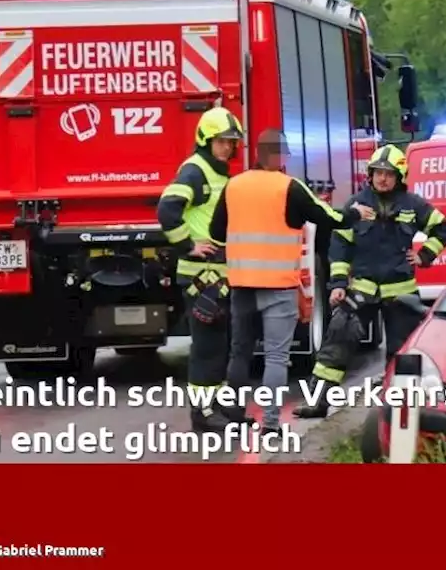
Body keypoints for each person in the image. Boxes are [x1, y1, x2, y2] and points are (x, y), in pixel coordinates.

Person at [208, 129, 374, 438]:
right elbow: (327, 217)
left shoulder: (234, 186)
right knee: (275, 357)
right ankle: (270, 424)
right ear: (281, 156)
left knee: (239, 352)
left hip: (242, 284)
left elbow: (217, 231)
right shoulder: (290, 188)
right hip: (278, 286)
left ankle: (233, 416)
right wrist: (355, 213)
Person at [294, 144, 446, 419]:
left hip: (401, 291)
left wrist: (425, 255)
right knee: (337, 341)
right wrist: (339, 284)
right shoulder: (357, 205)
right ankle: (317, 401)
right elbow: (340, 245)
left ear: (400, 176)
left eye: (389, 174)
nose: (382, 178)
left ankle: (400, 412)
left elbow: (441, 227)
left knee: (403, 352)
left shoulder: (413, 205)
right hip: (362, 288)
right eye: (378, 173)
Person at [157, 107, 243, 433]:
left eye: (232, 142)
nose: (228, 148)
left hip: (216, 274)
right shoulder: (195, 171)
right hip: (199, 274)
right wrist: (188, 244)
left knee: (220, 343)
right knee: (207, 346)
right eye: (222, 141)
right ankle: (203, 414)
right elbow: (167, 208)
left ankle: (217, 407)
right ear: (206, 140)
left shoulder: (215, 171)